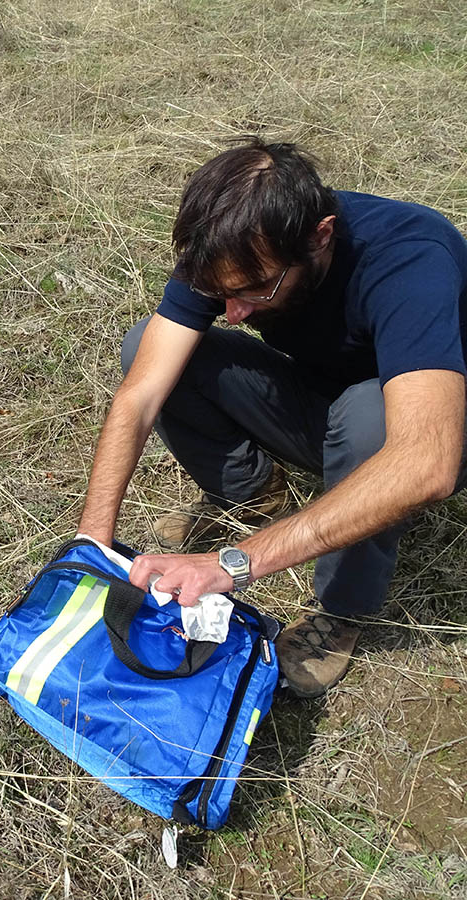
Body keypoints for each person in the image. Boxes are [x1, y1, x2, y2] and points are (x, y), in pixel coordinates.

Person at [76, 138, 467, 697]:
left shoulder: (409, 258)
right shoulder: (232, 243)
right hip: (326, 395)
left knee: (368, 421)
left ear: (321, 237)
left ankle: (341, 610)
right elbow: (140, 394)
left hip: (433, 421)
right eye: (219, 292)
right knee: (148, 345)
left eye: (255, 290)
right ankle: (252, 492)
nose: (232, 313)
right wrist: (94, 537)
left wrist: (233, 563)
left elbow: (427, 461)